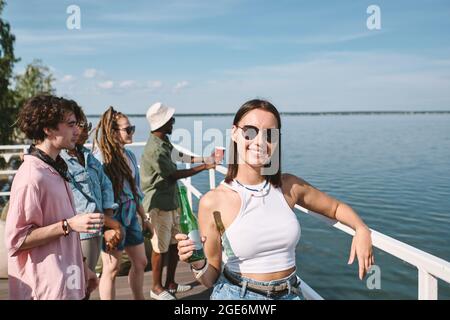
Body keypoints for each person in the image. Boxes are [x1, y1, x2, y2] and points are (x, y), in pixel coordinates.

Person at [176, 99, 374, 300]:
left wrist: (361, 228)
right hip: (238, 295)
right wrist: (197, 263)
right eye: (250, 132)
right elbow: (211, 277)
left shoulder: (289, 187)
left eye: (269, 135)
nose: (260, 142)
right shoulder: (214, 201)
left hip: (291, 293)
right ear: (234, 133)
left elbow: (335, 207)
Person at [5, 94, 100, 300]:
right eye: (71, 124)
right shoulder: (32, 175)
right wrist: (68, 225)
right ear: (48, 129)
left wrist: (83, 268)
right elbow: (16, 240)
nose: (78, 131)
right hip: (46, 289)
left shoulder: (55, 168)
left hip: (67, 283)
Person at [140, 102, 216, 300]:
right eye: (170, 119)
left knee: (175, 244)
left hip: (171, 202)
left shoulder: (164, 141)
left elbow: (179, 155)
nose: (173, 122)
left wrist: (203, 158)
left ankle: (171, 283)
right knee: (159, 248)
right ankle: (156, 288)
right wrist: (205, 167)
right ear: (162, 123)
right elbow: (173, 174)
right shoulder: (154, 149)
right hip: (158, 206)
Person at [94, 106, 151, 300]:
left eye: (131, 128)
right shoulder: (100, 159)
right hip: (112, 217)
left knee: (141, 261)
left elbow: (135, 191)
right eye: (128, 129)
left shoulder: (130, 156)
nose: (132, 132)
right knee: (111, 268)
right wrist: (106, 227)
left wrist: (145, 217)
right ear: (113, 133)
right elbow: (97, 197)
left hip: (131, 214)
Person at [60, 106, 123, 274]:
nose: (87, 130)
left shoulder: (88, 156)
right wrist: (110, 224)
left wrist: (108, 219)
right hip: (80, 233)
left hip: (97, 227)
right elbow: (80, 203)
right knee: (80, 281)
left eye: (88, 125)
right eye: (82, 125)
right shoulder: (61, 161)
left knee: (87, 281)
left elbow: (106, 185)